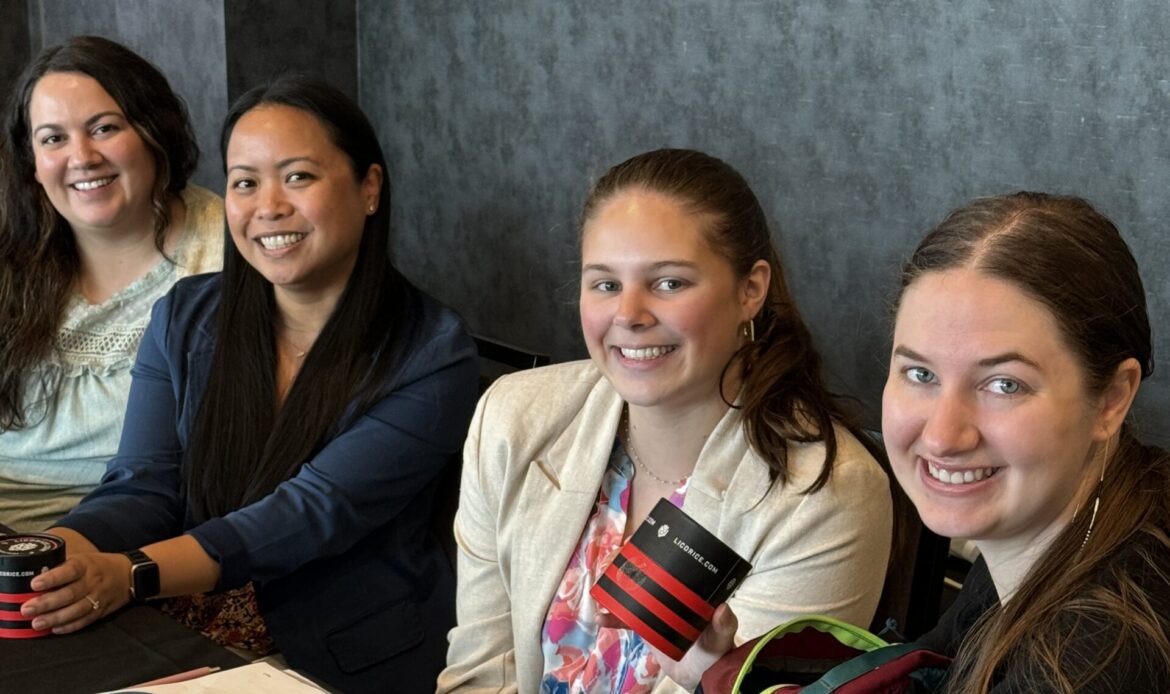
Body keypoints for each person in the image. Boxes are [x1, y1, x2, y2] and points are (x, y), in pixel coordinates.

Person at [19, 76, 479, 694]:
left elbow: (310, 513)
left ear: (368, 188)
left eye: (298, 176)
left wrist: (129, 574)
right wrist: (52, 556)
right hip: (176, 626)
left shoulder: (433, 353)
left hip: (334, 654)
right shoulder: (185, 316)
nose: (268, 207)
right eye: (245, 181)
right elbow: (144, 484)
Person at [439, 148, 893, 693]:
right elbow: (479, 673)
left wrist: (710, 679)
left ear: (751, 290)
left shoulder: (824, 496)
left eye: (669, 283)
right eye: (606, 284)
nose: (629, 314)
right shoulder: (513, 418)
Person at [882, 192, 1170, 692]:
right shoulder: (1052, 530)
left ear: (1111, 399)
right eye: (920, 373)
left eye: (1004, 384)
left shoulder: (1099, 656)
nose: (943, 436)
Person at [0, 35, 223, 533]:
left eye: (103, 128)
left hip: (114, 539)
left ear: (153, 131)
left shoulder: (230, 251)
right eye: (53, 138)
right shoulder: (12, 249)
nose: (82, 157)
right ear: (32, 163)